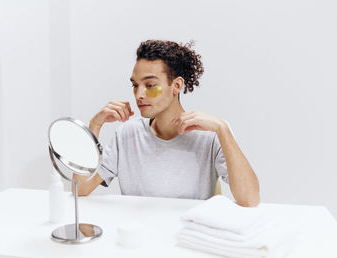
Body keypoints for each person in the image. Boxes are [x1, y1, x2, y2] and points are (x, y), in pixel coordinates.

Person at [73, 40, 260, 207]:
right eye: (135, 85)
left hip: (186, 238)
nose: (139, 95)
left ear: (177, 86)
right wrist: (94, 126)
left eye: (150, 85)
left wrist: (223, 130)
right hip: (138, 238)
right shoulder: (127, 134)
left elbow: (250, 199)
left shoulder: (209, 136)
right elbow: (80, 189)